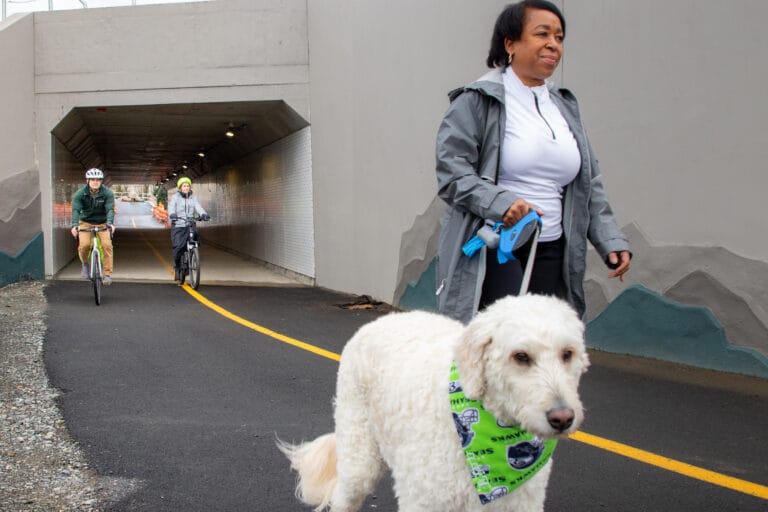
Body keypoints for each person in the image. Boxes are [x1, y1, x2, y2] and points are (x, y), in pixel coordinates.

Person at [435, 0, 631, 323]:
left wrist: (610, 240)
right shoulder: (476, 101)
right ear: (510, 43)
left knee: (541, 348)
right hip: (498, 246)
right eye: (542, 34)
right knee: (507, 341)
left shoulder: (565, 107)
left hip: (553, 248)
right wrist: (502, 203)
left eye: (559, 37)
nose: (553, 44)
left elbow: (588, 184)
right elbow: (452, 173)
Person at [70, 167, 116, 286]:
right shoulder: (80, 194)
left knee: (107, 245)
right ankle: (85, 264)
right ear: (88, 181)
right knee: (84, 245)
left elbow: (110, 209)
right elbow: (75, 210)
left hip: (102, 222)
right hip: (85, 222)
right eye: (93, 179)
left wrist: (110, 223)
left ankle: (106, 274)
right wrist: (75, 225)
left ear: (101, 181)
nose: (95, 182)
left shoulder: (107, 193)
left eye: (98, 180)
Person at [167, 177, 210, 282]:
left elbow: (198, 207)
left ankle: (192, 254)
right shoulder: (175, 197)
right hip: (178, 225)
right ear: (180, 187)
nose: (186, 188)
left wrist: (203, 214)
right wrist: (172, 214)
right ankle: (178, 268)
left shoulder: (193, 198)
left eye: (187, 186)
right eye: (184, 186)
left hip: (190, 224)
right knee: (178, 248)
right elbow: (171, 207)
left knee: (195, 241)